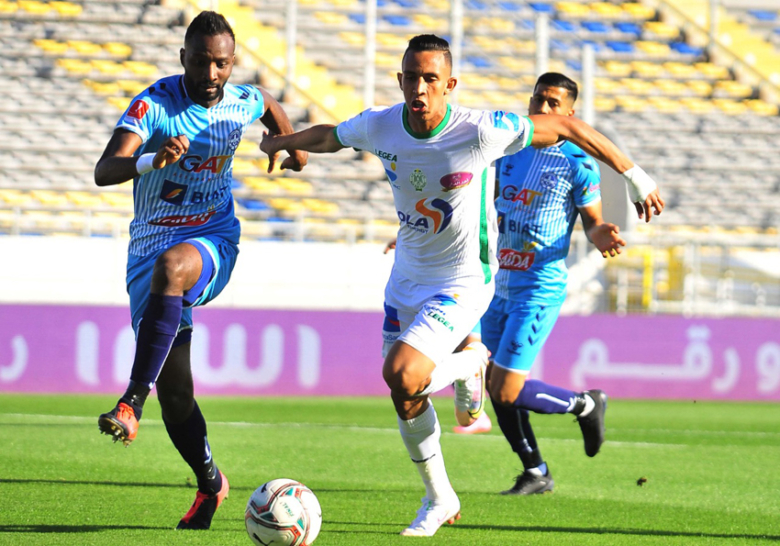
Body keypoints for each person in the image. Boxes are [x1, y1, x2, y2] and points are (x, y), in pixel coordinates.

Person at [260, 34, 663, 537]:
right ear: (400, 80)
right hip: (406, 280)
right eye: (412, 77)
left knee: (403, 372)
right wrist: (283, 142)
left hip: (464, 281)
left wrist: (635, 177)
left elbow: (567, 127)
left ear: (449, 85)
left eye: (431, 79)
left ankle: (473, 361)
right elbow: (331, 136)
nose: (420, 88)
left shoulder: (481, 130)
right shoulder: (380, 124)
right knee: (404, 394)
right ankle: (439, 498)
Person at [93, 11, 306, 530]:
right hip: (148, 248)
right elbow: (104, 170)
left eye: (222, 64)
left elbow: (267, 103)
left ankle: (130, 401)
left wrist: (289, 145)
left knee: (175, 265)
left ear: (232, 63)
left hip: (213, 238)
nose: (213, 75)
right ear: (182, 58)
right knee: (178, 395)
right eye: (202, 62)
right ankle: (210, 484)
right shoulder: (153, 105)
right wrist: (151, 160)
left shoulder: (240, 99)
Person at [482, 72, 626, 496]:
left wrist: (601, 233)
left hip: (538, 287)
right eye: (538, 100)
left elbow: (593, 221)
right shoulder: (507, 149)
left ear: (569, 114)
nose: (542, 109)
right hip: (498, 284)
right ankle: (535, 471)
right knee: (494, 386)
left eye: (552, 104)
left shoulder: (577, 162)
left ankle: (585, 403)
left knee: (506, 387)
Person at [386, 238, 493, 435]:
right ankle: (470, 367)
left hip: (465, 277)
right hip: (440, 275)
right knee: (406, 372)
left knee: (408, 375)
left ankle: (471, 366)